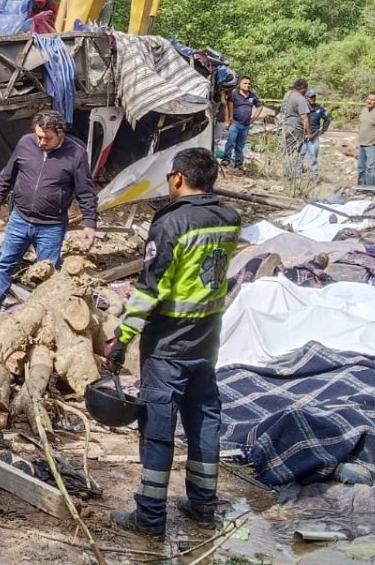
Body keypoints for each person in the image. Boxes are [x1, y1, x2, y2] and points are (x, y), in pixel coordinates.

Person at [102, 147, 240, 538]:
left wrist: (121, 339)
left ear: (177, 178)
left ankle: (149, 517)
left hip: (168, 345)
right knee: (204, 421)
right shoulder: (229, 219)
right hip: (207, 342)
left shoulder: (171, 224)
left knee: (158, 428)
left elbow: (150, 290)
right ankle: (203, 506)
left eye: (168, 178)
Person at [0, 111, 98, 329]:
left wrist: (90, 223)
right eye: (38, 136)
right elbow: (7, 175)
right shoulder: (26, 143)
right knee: (4, 265)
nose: (41, 142)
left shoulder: (76, 154)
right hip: (19, 219)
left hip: (51, 226)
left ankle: (44, 322)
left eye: (47, 138)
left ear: (60, 133)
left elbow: (86, 191)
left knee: (47, 275)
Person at [222, 76, 262, 170]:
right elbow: (228, 106)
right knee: (231, 142)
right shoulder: (234, 94)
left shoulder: (252, 95)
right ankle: (226, 159)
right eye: (245, 83)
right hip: (235, 122)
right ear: (240, 84)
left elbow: (260, 106)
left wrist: (253, 118)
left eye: (249, 84)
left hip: (245, 125)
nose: (247, 85)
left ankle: (239, 163)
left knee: (240, 145)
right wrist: (228, 119)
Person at [296, 89, 330, 177]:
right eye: (311, 97)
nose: (313, 99)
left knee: (313, 157)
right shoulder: (302, 108)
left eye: (314, 97)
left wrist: (323, 130)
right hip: (303, 137)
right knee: (299, 156)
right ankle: (296, 175)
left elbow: (327, 120)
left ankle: (313, 176)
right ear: (306, 98)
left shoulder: (319, 109)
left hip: (313, 136)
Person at [278, 78, 311, 159]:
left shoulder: (288, 94)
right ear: (302, 87)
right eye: (306, 89)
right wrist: (308, 133)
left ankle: (279, 164)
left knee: (282, 150)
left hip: (283, 126)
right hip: (295, 129)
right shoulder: (300, 98)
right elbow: (304, 118)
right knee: (293, 154)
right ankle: (290, 166)